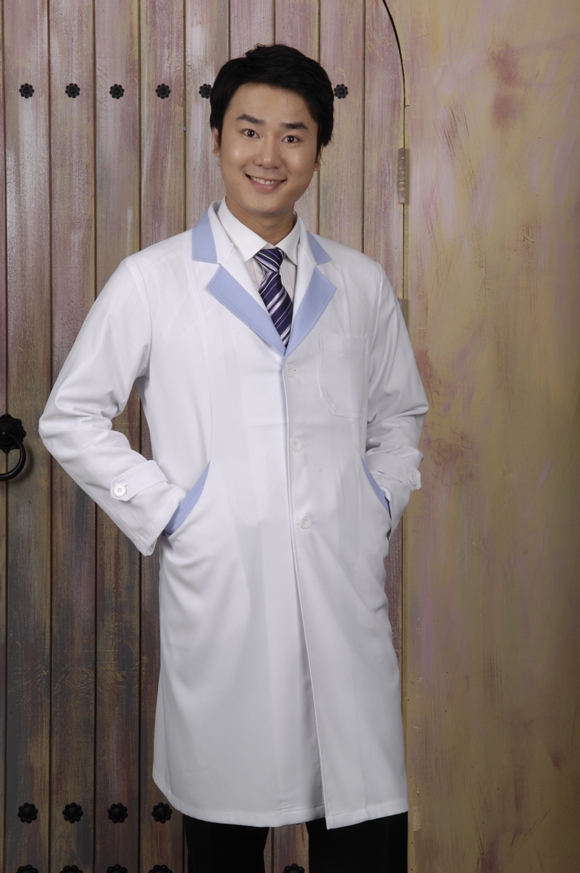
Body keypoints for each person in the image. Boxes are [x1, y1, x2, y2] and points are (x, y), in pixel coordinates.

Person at [40, 44, 428, 873]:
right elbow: (70, 416)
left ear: (318, 150)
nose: (269, 155)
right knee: (225, 835)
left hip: (342, 595)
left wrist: (374, 505)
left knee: (362, 831)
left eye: (294, 135)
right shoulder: (153, 280)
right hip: (224, 597)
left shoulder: (360, 284)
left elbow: (400, 418)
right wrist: (176, 513)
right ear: (216, 139)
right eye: (250, 130)